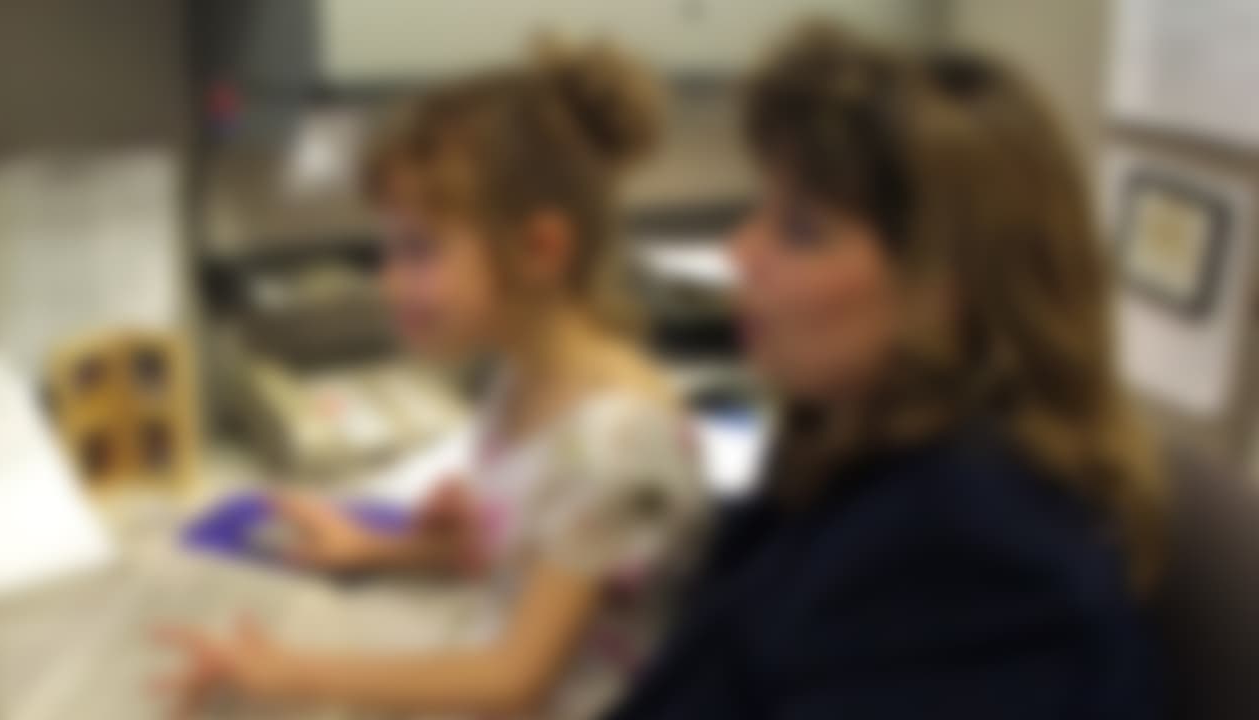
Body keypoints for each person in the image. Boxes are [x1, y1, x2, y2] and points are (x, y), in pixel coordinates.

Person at [608, 23, 1166, 720]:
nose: (739, 250)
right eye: (760, 210)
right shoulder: (842, 442)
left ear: (947, 288)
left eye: (801, 230)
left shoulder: (976, 555)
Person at [158, 40, 708, 720]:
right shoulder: (522, 379)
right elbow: (525, 559)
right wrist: (374, 548)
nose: (390, 282)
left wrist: (293, 674)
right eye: (388, 249)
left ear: (540, 249)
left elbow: (514, 681)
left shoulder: (616, 442)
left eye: (419, 250)